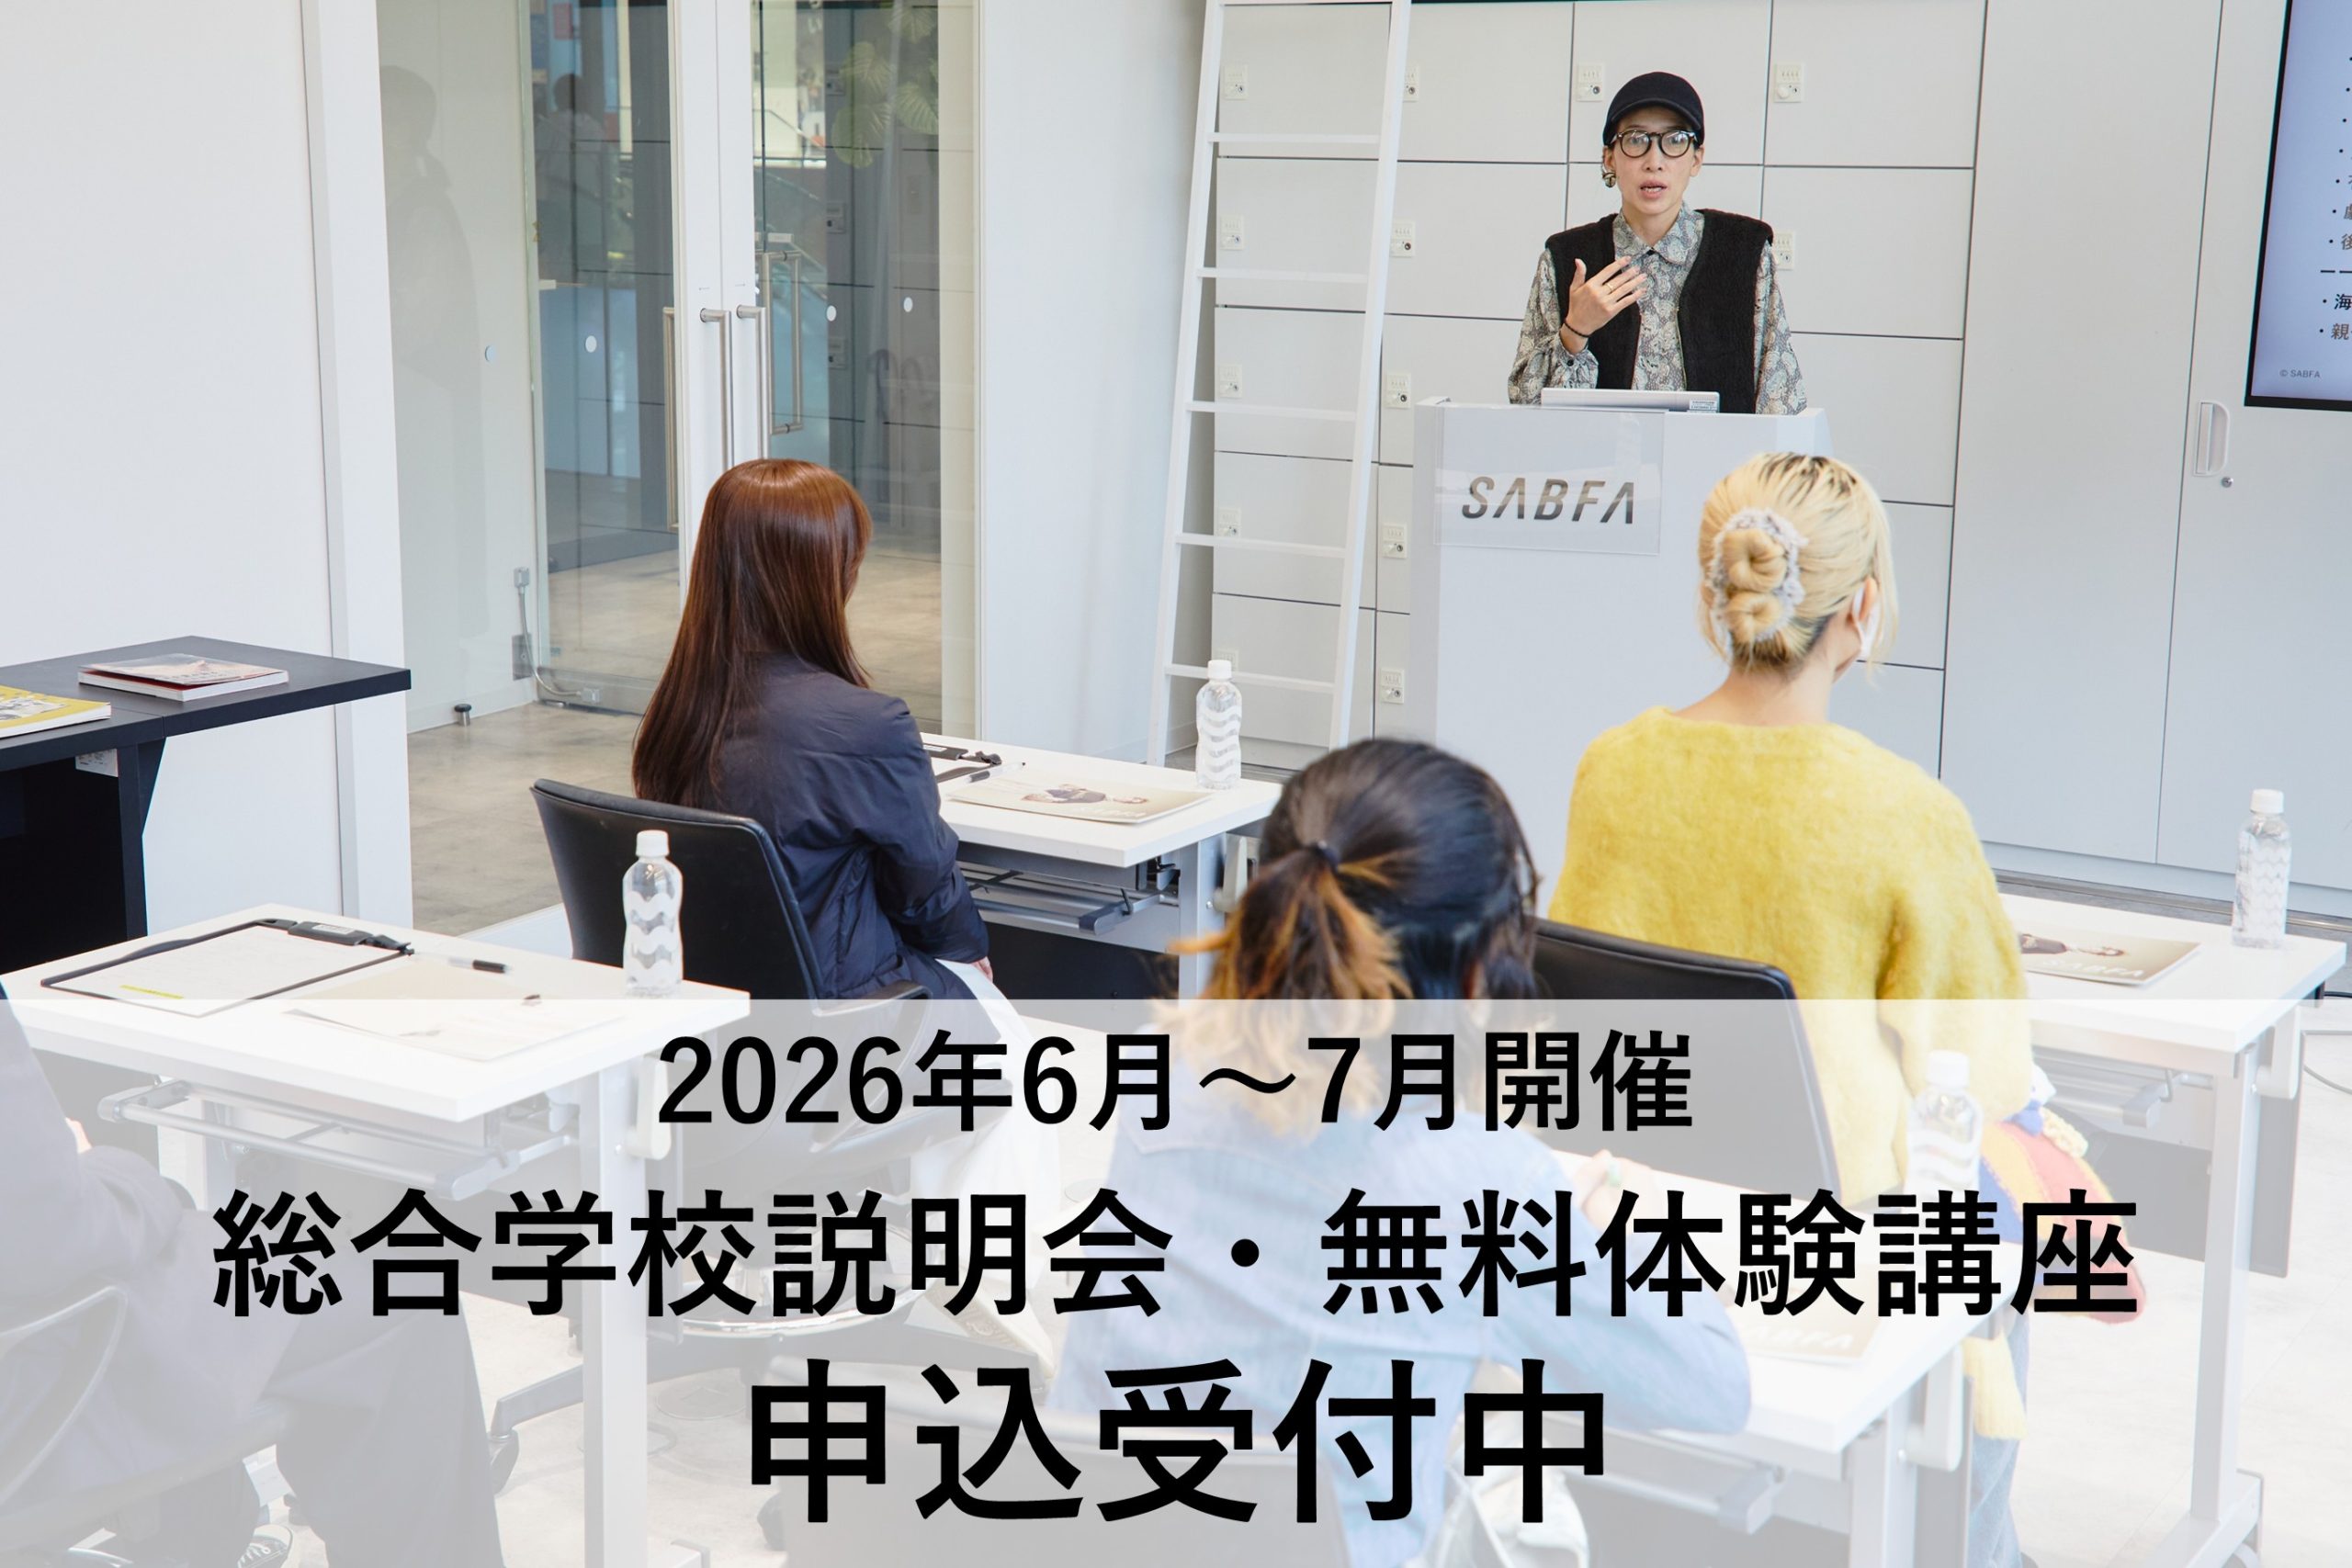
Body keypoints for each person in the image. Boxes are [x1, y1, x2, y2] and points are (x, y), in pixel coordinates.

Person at [1054, 739, 1751, 1568]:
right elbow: (1711, 1386)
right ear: (1478, 974)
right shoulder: (1482, 1184)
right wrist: (1613, 1224)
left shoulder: (1162, 1084)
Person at [1546, 452, 2034, 1568]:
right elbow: (1982, 1069)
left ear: (1714, 592)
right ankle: (1976, 1544)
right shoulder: (1905, 810)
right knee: (2021, 1202)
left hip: (1633, 1202)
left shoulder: (1610, 767)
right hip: (1832, 1233)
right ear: (1860, 610)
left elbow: (1571, 1004)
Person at [0, 998, 504, 1566]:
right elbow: (53, 1236)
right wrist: (117, 1169)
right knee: (403, 1295)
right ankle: (203, 1531)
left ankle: (206, 1534)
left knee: (185, 1232)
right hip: (28, 1382)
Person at [633, 457, 992, 1004]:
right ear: (824, 577)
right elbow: (922, 886)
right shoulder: (869, 726)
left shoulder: (679, 709)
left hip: (715, 998)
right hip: (844, 1002)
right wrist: (969, 951)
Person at [1507, 71, 1804, 414]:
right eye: (1635, 140)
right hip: (1600, 452)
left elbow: (1782, 404)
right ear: (1609, 158)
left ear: (1696, 158)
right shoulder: (1567, 260)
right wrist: (1575, 331)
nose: (1654, 162)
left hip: (1716, 451)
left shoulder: (1744, 252)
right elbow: (1525, 408)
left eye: (1675, 140)